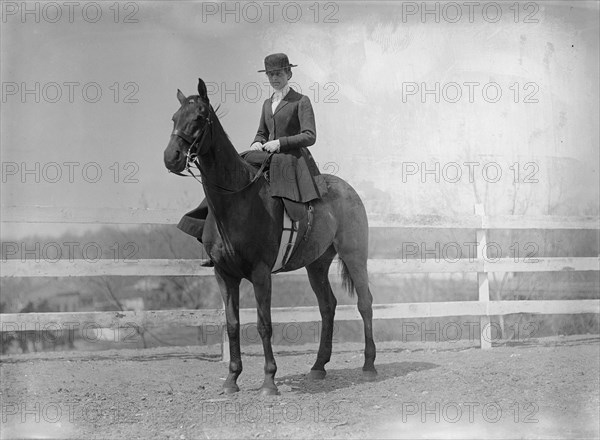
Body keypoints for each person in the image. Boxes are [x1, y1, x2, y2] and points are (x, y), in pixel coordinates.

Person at [177, 53, 326, 265]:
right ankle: (209, 232)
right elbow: (261, 132)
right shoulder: (267, 103)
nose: (274, 78)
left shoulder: (301, 101)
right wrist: (258, 141)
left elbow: (310, 136)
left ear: (289, 74)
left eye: (279, 74)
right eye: (270, 74)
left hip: (290, 158)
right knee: (233, 172)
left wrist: (280, 143)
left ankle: (283, 239)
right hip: (267, 154)